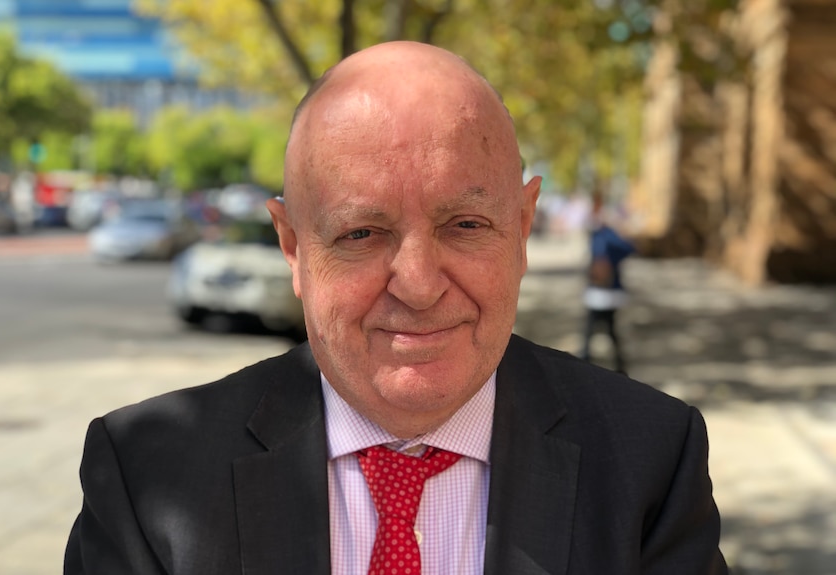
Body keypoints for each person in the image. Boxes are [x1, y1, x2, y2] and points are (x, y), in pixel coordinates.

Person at [64, 41, 727, 575]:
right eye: (362, 233)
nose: (417, 284)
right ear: (292, 247)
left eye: (466, 224)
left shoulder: (652, 462)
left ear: (522, 230)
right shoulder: (145, 475)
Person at [579, 193, 636, 373]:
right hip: (602, 290)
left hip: (605, 291)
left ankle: (592, 363)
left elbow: (626, 249)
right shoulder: (599, 233)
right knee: (601, 331)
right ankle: (614, 366)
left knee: (599, 330)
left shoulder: (605, 234)